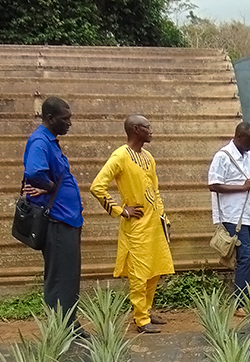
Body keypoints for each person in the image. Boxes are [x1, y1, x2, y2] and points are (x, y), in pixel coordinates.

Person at [90, 115, 175, 333]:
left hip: (154, 224)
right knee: (139, 272)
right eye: (148, 127)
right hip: (136, 226)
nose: (152, 130)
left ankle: (146, 310)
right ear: (136, 130)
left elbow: (155, 190)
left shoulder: (148, 157)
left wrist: (163, 216)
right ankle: (140, 319)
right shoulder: (120, 156)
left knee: (155, 270)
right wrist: (120, 210)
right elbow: (97, 187)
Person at [22, 97, 86, 336]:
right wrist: (48, 187)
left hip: (67, 219)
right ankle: (62, 329)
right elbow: (34, 172)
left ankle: (68, 323)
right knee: (60, 277)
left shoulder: (50, 141)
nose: (69, 123)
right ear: (50, 118)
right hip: (57, 220)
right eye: (65, 119)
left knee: (67, 275)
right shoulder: (40, 141)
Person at [208, 122, 250, 317]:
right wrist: (242, 188)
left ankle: (246, 298)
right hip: (233, 216)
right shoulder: (223, 157)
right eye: (249, 140)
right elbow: (213, 185)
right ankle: (239, 302)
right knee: (245, 257)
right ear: (239, 136)